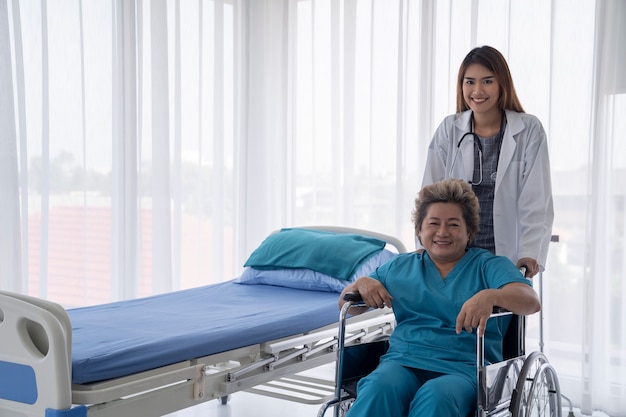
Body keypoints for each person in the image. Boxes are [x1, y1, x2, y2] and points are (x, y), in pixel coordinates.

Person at [339, 179, 540, 417]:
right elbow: (347, 304)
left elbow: (530, 300)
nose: (442, 232)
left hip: (465, 369)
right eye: (433, 223)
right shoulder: (400, 266)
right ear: (419, 230)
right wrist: (363, 282)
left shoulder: (488, 266)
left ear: (469, 232)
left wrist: (491, 295)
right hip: (403, 362)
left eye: (453, 225)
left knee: (436, 397)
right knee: (378, 388)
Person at [421, 45, 553, 278]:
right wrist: (427, 247)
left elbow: (536, 200)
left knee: (500, 312)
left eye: (487, 81)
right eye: (469, 81)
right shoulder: (449, 129)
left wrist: (530, 252)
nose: (477, 90)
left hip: (506, 256)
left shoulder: (528, 129)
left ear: (502, 83)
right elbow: (429, 195)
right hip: (455, 255)